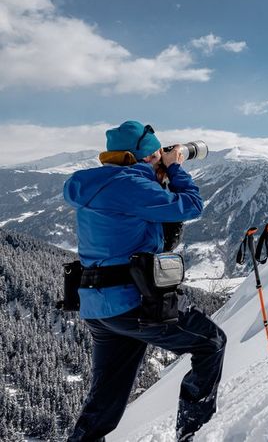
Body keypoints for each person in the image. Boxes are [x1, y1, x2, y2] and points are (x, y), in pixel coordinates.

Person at [64, 121, 226, 442]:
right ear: (145, 156)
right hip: (133, 303)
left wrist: (159, 176)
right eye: (157, 153)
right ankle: (192, 432)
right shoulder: (133, 186)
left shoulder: (95, 185)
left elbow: (137, 237)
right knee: (210, 343)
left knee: (105, 400)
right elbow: (192, 205)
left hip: (99, 308)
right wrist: (176, 169)